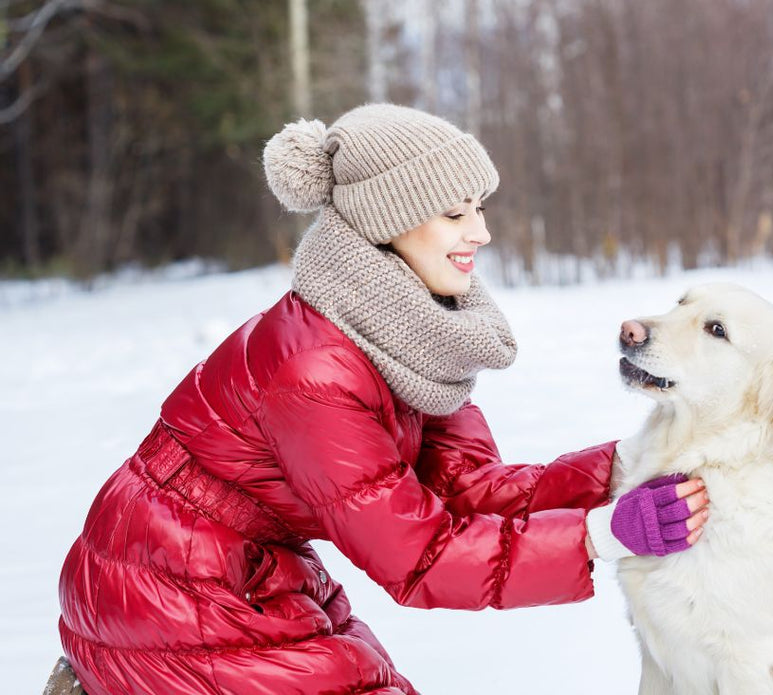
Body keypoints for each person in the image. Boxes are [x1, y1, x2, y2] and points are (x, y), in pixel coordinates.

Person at [55, 104, 710, 694]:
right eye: (454, 212)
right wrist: (598, 536)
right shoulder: (315, 367)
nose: (479, 231)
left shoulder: (412, 336)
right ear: (387, 223)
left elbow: (463, 489)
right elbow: (419, 555)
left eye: (480, 207)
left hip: (249, 569)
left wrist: (626, 465)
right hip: (163, 586)